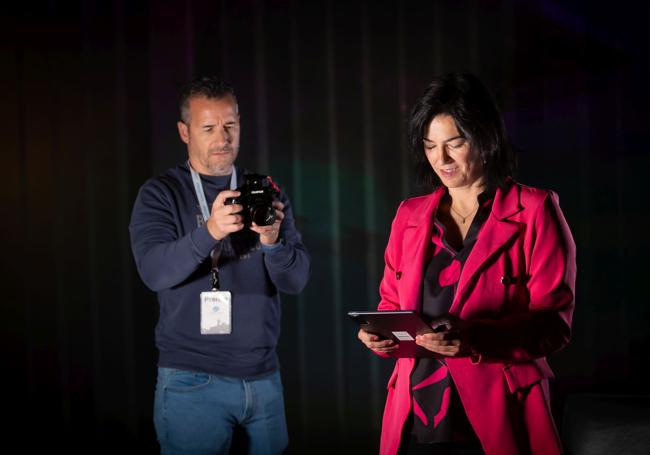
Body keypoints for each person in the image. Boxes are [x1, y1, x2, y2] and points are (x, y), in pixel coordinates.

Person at [357, 73, 576, 455]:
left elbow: (554, 324)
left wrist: (474, 338)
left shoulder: (535, 210)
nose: (440, 159)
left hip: (501, 409)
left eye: (453, 144)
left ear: (486, 138)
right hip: (418, 411)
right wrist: (379, 334)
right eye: (429, 146)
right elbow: (391, 305)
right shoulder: (408, 215)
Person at [129, 76, 310, 454]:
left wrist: (273, 243)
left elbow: (296, 280)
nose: (222, 137)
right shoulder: (160, 194)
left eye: (230, 125)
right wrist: (209, 231)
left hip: (264, 379)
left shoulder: (264, 192)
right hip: (192, 382)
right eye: (208, 127)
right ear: (184, 132)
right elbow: (154, 272)